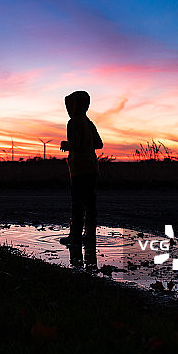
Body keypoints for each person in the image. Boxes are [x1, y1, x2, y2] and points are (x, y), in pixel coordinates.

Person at [59, 91, 103, 255]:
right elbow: (99, 143)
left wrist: (67, 144)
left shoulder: (72, 123)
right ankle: (90, 235)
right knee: (90, 204)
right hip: (92, 168)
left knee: (77, 204)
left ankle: (75, 236)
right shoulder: (89, 123)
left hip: (79, 169)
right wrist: (87, 143)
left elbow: (75, 144)